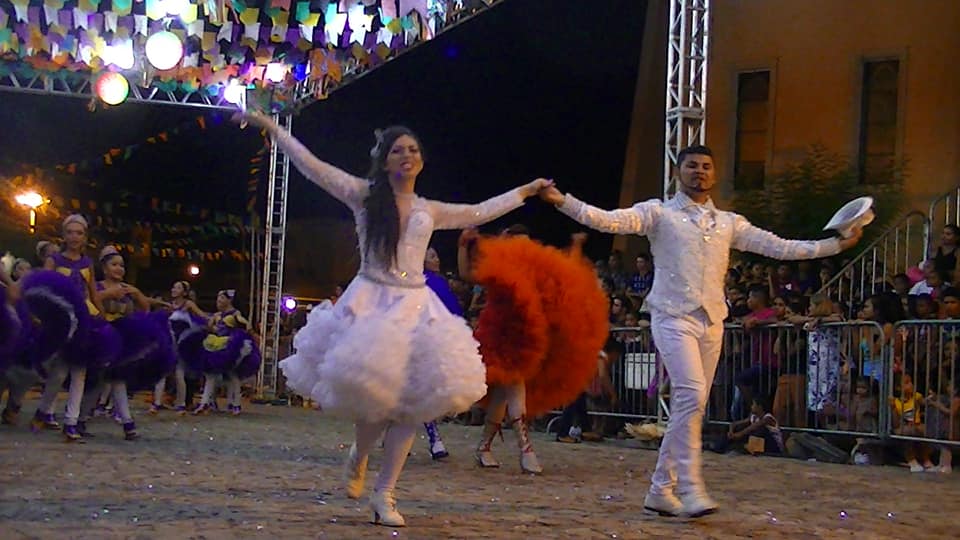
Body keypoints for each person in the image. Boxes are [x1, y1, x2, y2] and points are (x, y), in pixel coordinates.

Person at [240, 111, 550, 528]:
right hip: (371, 303)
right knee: (375, 405)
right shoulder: (363, 196)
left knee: (410, 407)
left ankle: (384, 494)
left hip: (416, 308)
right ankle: (360, 454)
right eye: (398, 150)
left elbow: (479, 211)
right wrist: (274, 129)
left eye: (413, 150)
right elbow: (313, 168)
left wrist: (525, 191)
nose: (407, 155)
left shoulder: (429, 209)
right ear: (384, 160)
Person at [538, 145, 863, 517]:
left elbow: (779, 247)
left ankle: (661, 489)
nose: (700, 171)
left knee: (691, 405)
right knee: (691, 395)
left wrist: (834, 244)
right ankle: (691, 488)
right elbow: (608, 220)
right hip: (671, 315)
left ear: (714, 173)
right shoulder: (658, 213)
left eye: (706, 166)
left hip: (712, 320)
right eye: (692, 165)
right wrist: (563, 201)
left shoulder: (729, 223)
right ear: (679, 172)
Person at [460, 228, 608, 474]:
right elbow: (469, 274)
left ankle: (485, 448)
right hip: (499, 338)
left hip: (524, 339)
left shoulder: (534, 273)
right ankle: (525, 450)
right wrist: (463, 246)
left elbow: (563, 283)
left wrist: (576, 248)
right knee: (513, 389)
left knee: (502, 396)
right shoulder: (499, 269)